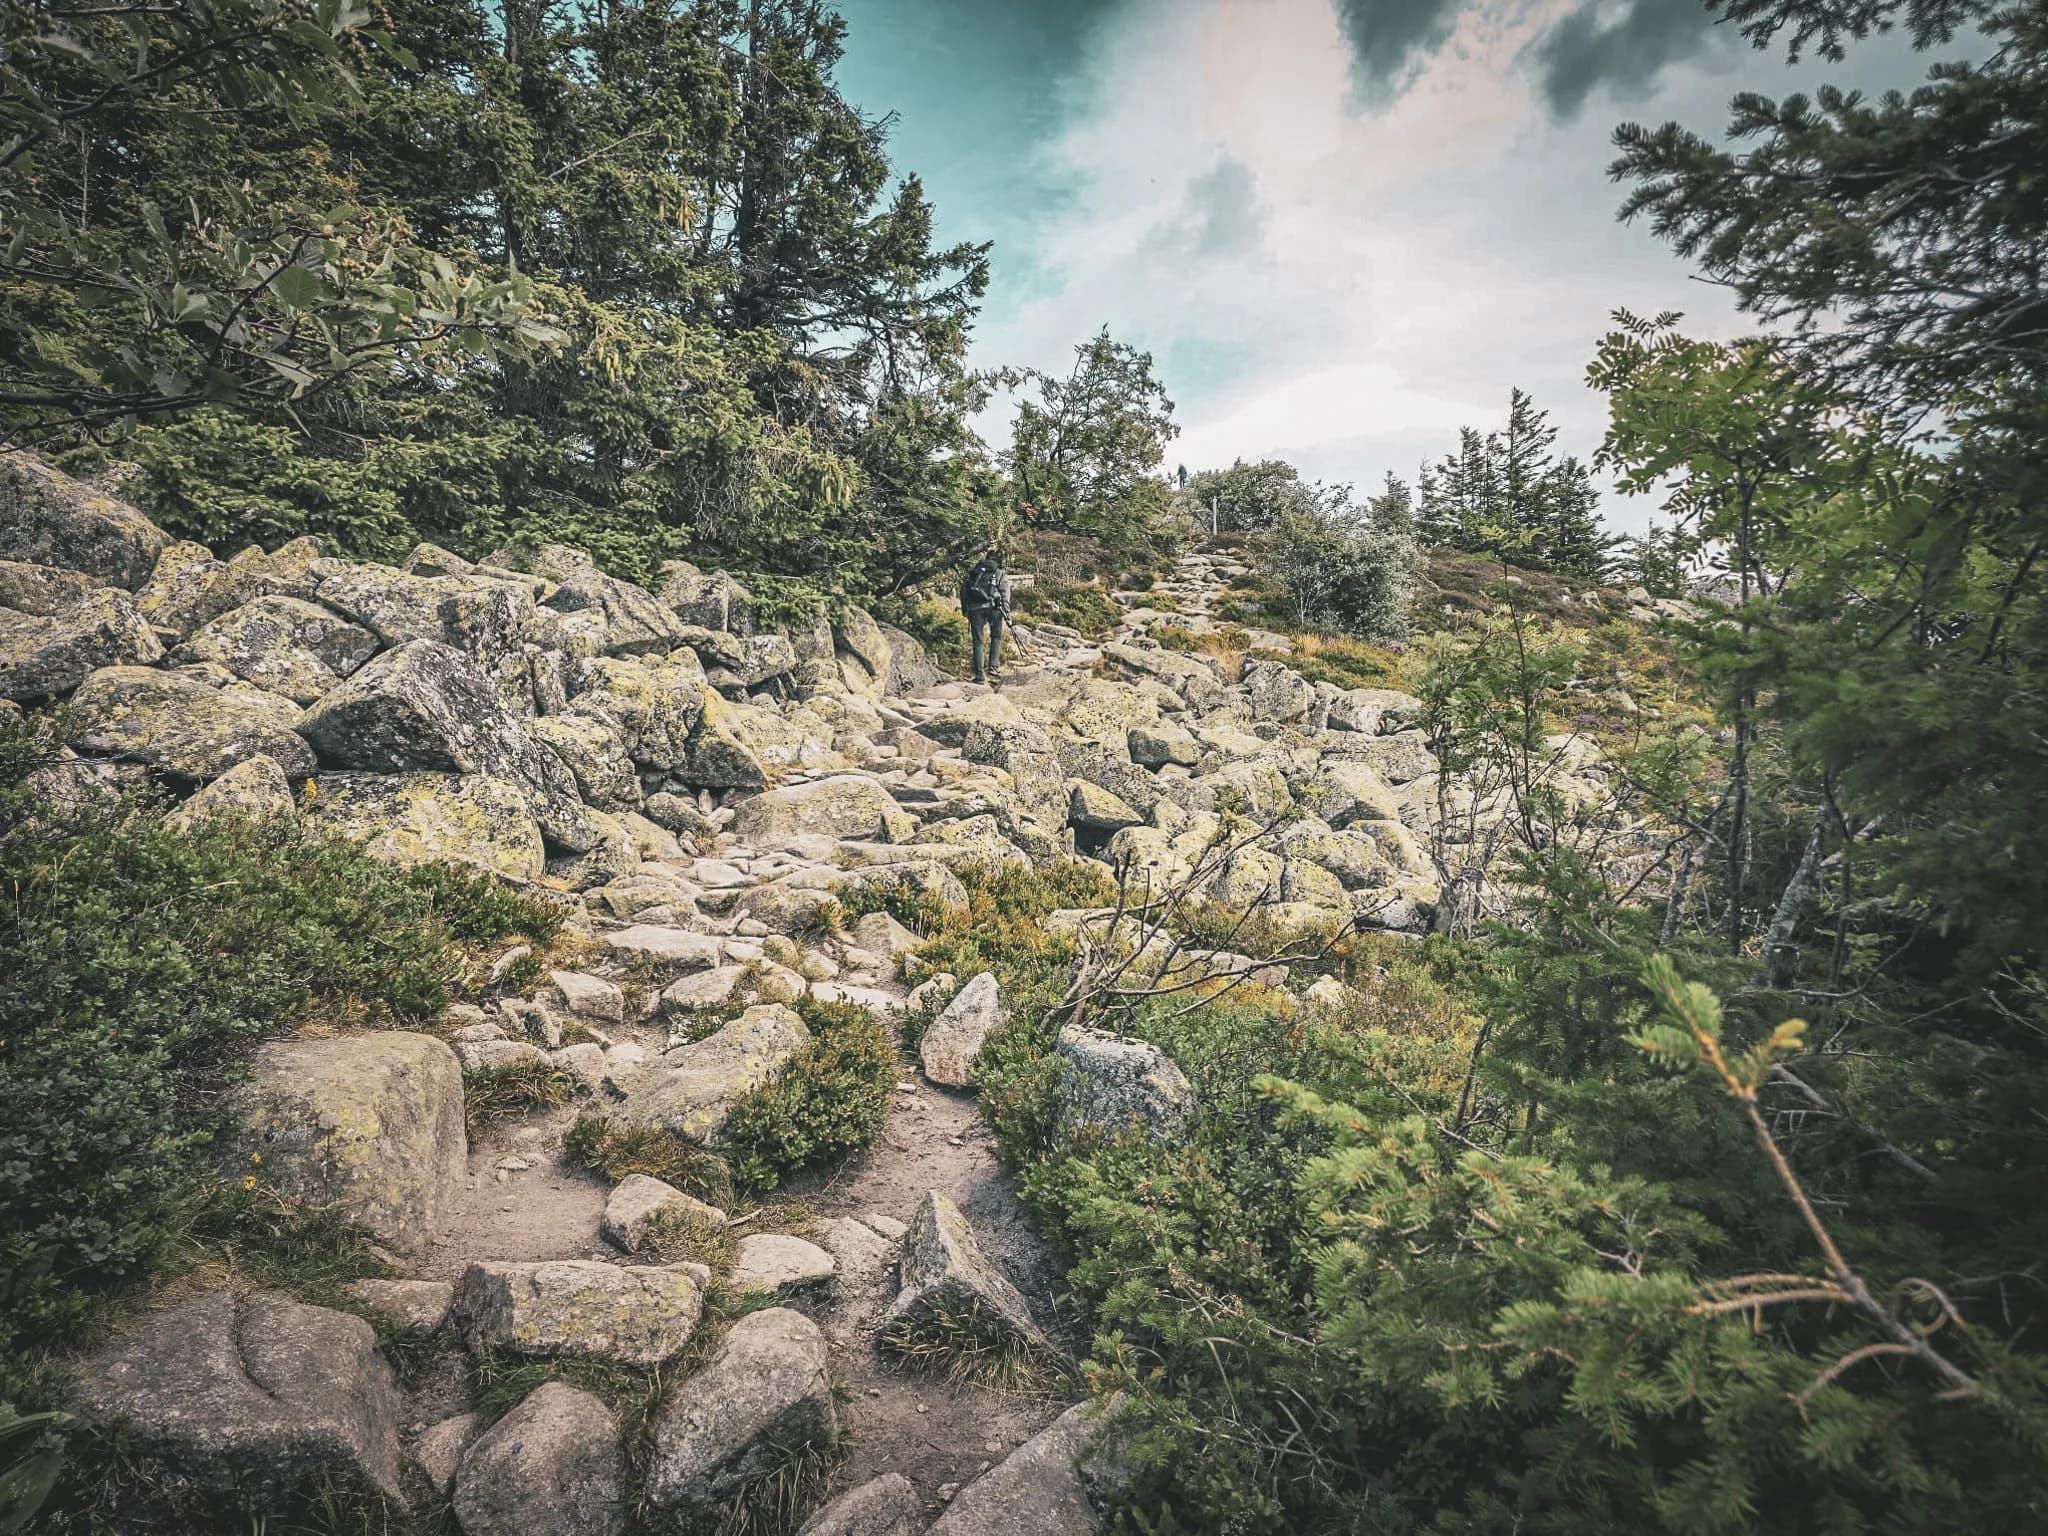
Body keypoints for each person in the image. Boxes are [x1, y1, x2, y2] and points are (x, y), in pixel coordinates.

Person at [960, 546, 1010, 684]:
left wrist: (965, 610)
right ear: (999, 561)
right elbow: (1005, 595)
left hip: (975, 608)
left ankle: (980, 676)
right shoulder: (1000, 573)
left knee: (978, 642)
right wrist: (1007, 615)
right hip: (994, 608)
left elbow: (964, 590)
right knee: (996, 636)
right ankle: (993, 667)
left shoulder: (975, 571)